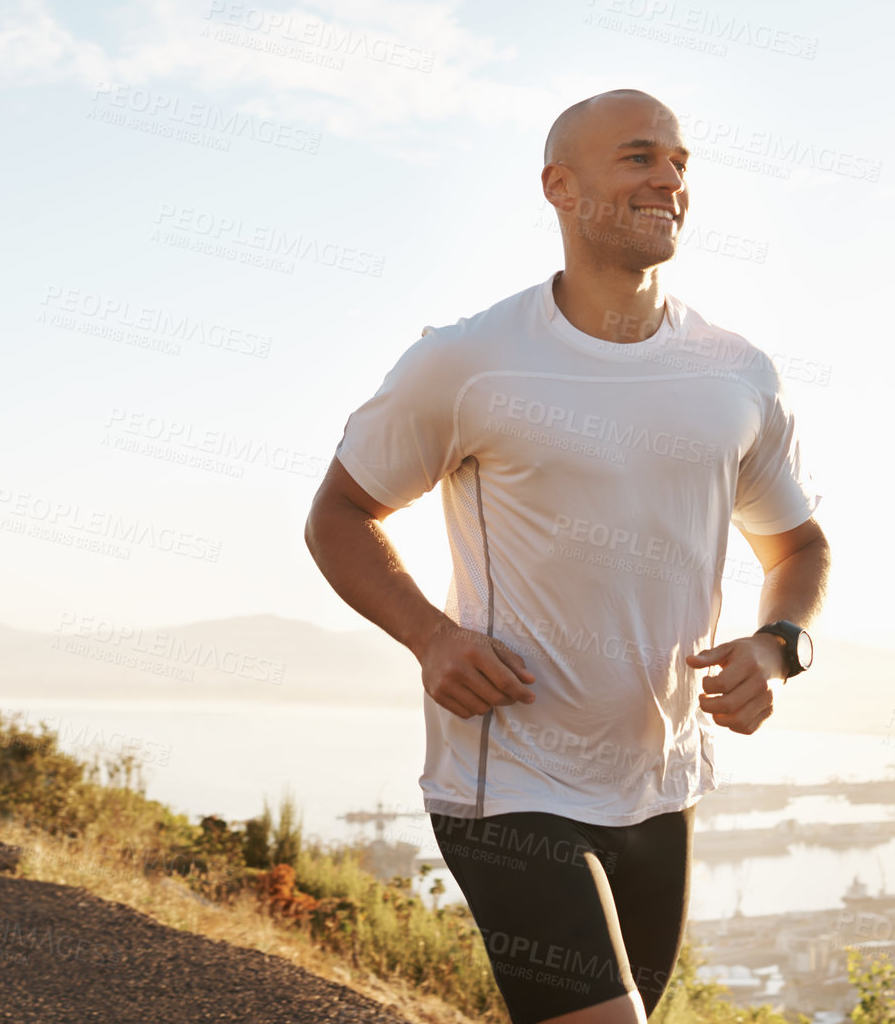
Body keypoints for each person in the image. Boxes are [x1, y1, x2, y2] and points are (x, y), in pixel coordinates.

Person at [304, 88, 830, 1024]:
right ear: (560, 185)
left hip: (661, 781)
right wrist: (430, 637)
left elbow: (797, 545)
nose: (668, 177)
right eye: (638, 157)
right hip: (504, 779)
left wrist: (777, 645)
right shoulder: (469, 362)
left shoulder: (735, 372)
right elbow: (340, 514)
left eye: (679, 161)